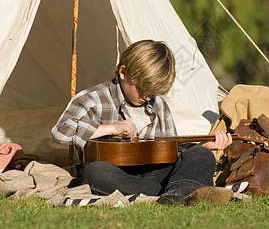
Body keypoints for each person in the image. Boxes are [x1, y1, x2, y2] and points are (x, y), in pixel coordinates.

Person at [51, 39, 233, 205]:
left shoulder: (158, 105)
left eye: (152, 92)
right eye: (141, 89)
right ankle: (180, 193)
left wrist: (203, 146)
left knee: (201, 155)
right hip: (116, 173)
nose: (146, 96)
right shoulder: (92, 99)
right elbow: (60, 131)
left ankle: (176, 193)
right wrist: (111, 128)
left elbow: (168, 149)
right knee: (95, 173)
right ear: (123, 72)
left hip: (154, 172)